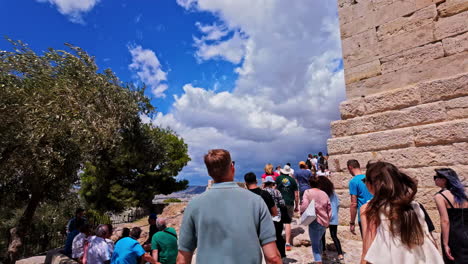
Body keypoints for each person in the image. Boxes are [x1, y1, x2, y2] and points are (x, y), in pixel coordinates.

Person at [177, 149, 281, 264]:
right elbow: (273, 258)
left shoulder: (194, 205)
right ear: (232, 167)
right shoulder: (256, 202)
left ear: (209, 172)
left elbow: (182, 259)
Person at [360, 161, 443, 264]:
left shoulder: (370, 208)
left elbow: (368, 246)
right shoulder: (414, 206)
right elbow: (429, 238)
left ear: (370, 184)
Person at [433, 168, 468, 263]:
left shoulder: (440, 196)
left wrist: (445, 244)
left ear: (444, 180)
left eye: (436, 177)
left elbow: (445, 221)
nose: (435, 179)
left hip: (454, 236)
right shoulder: (464, 195)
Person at [301, 177, 331, 264]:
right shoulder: (324, 193)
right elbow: (329, 208)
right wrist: (328, 220)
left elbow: (304, 204)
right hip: (324, 220)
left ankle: (318, 260)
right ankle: (320, 258)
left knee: (315, 245)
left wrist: (302, 212)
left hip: (314, 220)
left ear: (310, 184)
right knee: (320, 240)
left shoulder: (308, 192)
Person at [316, 177, 343, 261]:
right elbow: (338, 204)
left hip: (324, 217)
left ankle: (323, 252)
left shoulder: (321, 193)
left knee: (322, 235)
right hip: (333, 216)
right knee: (334, 236)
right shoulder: (333, 193)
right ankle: (340, 254)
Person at [276, 166, 299, 252]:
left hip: (279, 202)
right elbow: (296, 194)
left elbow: (274, 189)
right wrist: (296, 205)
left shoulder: (278, 178)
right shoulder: (292, 180)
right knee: (288, 222)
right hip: (289, 202)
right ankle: (288, 243)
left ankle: (278, 241)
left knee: (279, 221)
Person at [347, 159, 373, 236]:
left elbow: (354, 204)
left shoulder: (353, 181)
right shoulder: (368, 178)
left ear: (350, 167)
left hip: (364, 217)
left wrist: (352, 222)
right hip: (375, 214)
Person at [264, 176, 287, 259]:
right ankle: (282, 254)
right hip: (277, 216)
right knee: (279, 236)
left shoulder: (262, 192)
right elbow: (282, 203)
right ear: (272, 183)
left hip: (267, 217)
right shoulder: (277, 192)